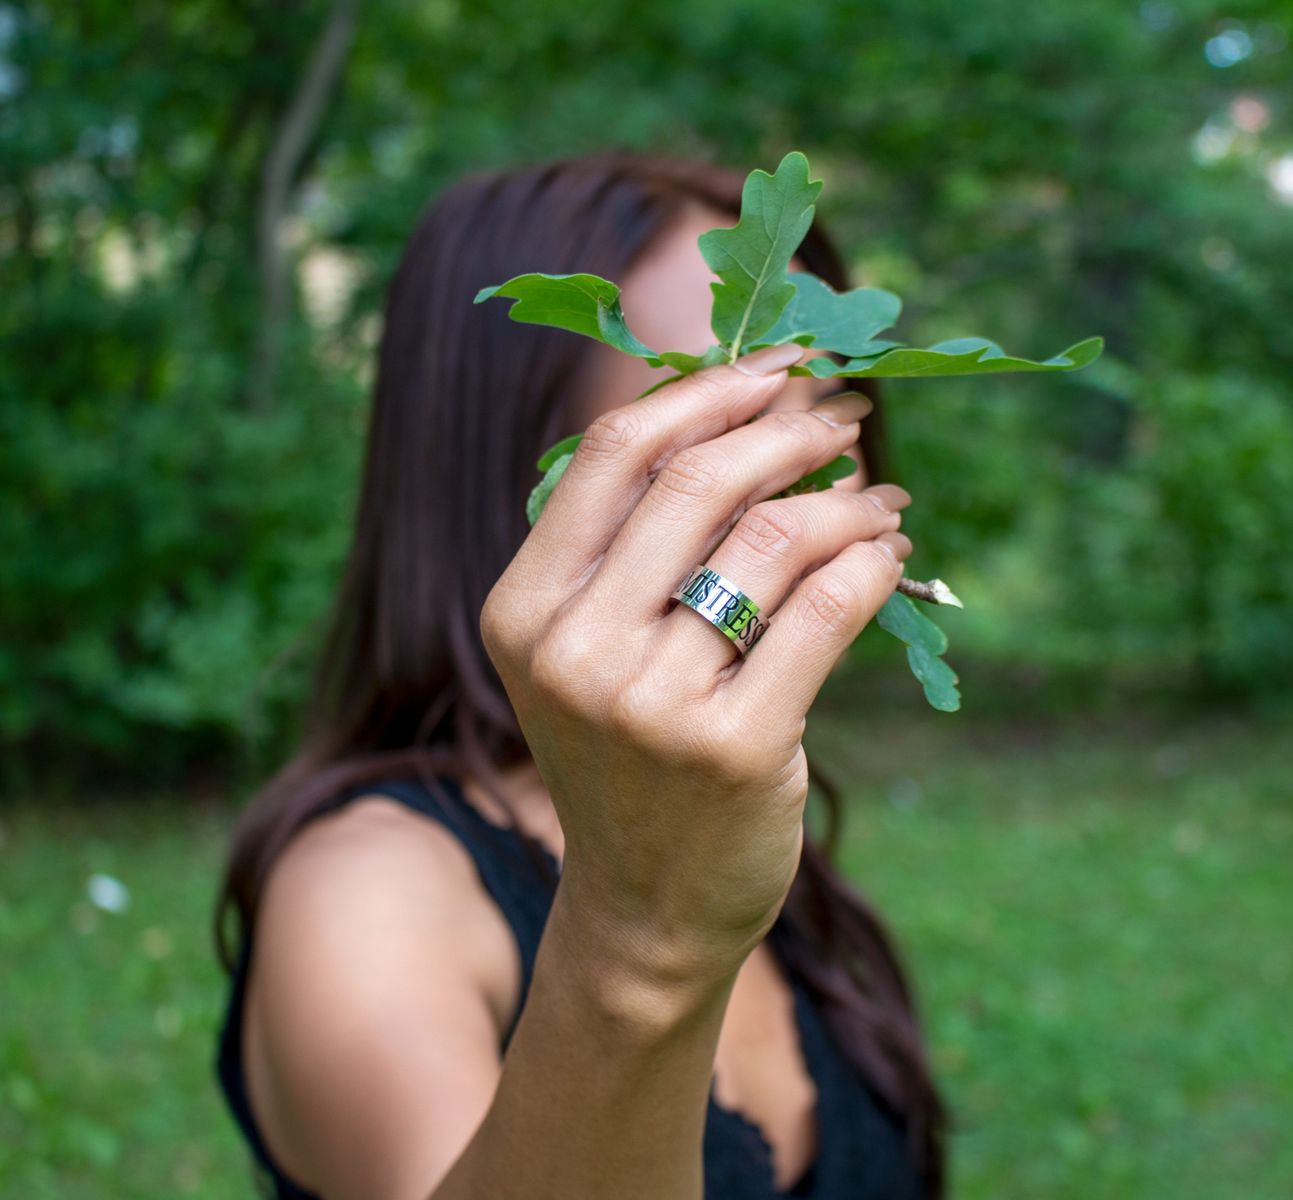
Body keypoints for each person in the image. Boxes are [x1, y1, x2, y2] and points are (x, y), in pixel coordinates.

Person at [214, 150, 947, 1200]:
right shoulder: (363, 894)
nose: (791, 501)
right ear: (505, 473)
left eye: (821, 418)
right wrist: (642, 942)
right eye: (707, 437)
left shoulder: (722, 800)